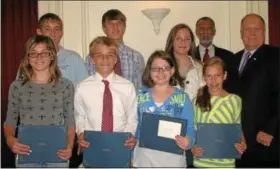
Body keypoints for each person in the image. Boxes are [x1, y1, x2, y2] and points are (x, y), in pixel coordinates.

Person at [3, 35, 75, 167]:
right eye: (33, 53)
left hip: (58, 153)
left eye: (44, 53)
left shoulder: (66, 85)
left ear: (52, 56)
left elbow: (70, 121)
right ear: (27, 57)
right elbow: (10, 121)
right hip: (26, 152)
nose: (39, 58)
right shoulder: (17, 86)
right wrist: (10, 140)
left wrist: (70, 146)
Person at [74, 36, 138, 167]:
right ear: (92, 60)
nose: (105, 59)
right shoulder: (82, 87)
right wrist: (80, 134)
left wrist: (129, 136)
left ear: (116, 59)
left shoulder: (127, 86)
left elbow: (132, 118)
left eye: (110, 55)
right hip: (93, 147)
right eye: (99, 55)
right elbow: (80, 116)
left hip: (120, 147)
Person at [133, 50, 195, 167]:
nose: (160, 72)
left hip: (172, 160)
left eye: (165, 68)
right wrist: (130, 155)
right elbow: (134, 127)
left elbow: (191, 128)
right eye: (156, 68)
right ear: (149, 71)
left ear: (172, 70)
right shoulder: (140, 96)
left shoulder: (182, 98)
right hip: (144, 159)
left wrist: (188, 141)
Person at [234, 13, 279, 167]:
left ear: (264, 32)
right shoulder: (234, 58)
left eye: (257, 29)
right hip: (238, 141)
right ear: (241, 33)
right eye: (247, 29)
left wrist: (270, 129)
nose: (252, 33)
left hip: (265, 140)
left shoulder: (275, 56)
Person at [191, 57, 246, 168]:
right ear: (204, 78)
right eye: (209, 76)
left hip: (226, 162)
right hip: (202, 161)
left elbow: (237, 127)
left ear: (224, 76)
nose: (213, 81)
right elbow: (193, 129)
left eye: (217, 76)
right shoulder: (197, 101)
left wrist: (243, 143)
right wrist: (193, 147)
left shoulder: (234, 100)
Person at [18, 13, 88, 86]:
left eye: (57, 29)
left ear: (61, 33)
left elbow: (85, 88)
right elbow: (20, 88)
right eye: (47, 29)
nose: (52, 34)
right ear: (39, 32)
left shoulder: (74, 58)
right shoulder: (31, 59)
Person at [84, 9, 145, 89]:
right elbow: (89, 86)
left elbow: (140, 88)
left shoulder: (136, 57)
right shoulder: (93, 57)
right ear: (104, 28)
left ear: (124, 27)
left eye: (119, 23)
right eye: (110, 24)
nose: (115, 27)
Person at [194, 16, 238, 94]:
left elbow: (233, 84)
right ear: (196, 32)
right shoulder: (190, 56)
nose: (205, 31)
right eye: (202, 29)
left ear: (214, 32)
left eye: (209, 29)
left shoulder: (229, 57)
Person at [165, 23, 205, 101]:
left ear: (192, 42)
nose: (183, 42)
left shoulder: (200, 67)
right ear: (171, 41)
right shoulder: (163, 66)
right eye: (178, 38)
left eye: (187, 39)